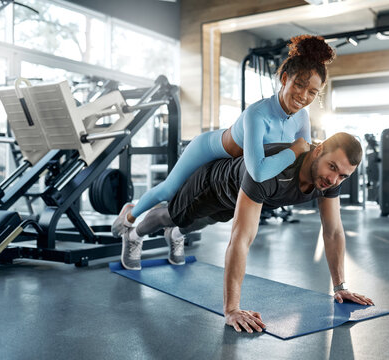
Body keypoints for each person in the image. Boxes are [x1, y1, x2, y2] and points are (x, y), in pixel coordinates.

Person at [121, 132, 375, 333]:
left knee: (203, 222)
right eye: (331, 167)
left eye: (343, 176)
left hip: (236, 199)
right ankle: (133, 233)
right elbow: (241, 239)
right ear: (318, 150)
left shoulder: (328, 181)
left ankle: (176, 235)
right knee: (173, 215)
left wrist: (340, 286)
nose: (334, 180)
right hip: (212, 186)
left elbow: (333, 232)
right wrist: (232, 309)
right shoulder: (273, 170)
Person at [111, 34, 336, 238]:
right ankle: (129, 216)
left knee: (205, 211)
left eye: (312, 93)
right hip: (208, 148)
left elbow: (305, 159)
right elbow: (259, 170)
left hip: (229, 169)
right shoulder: (257, 114)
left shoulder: (302, 118)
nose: (303, 96)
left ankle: (174, 234)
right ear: (285, 79)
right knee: (170, 190)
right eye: (299, 85)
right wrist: (295, 149)